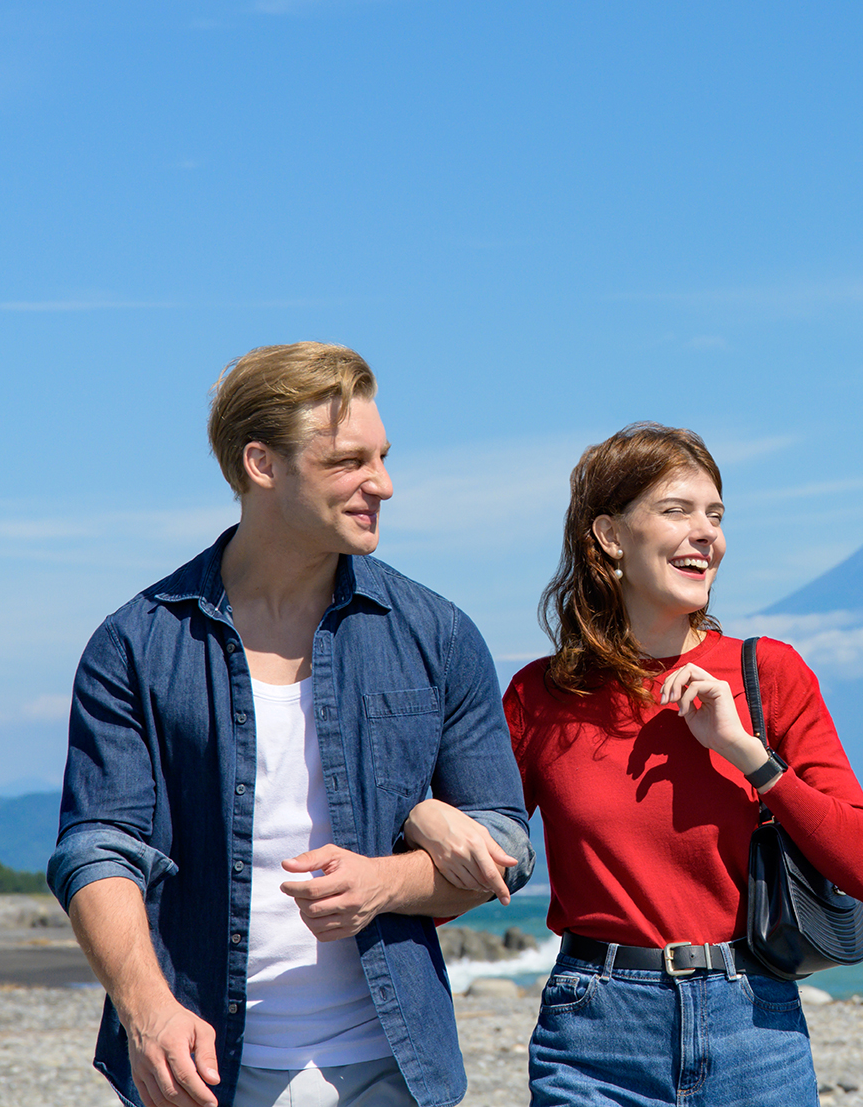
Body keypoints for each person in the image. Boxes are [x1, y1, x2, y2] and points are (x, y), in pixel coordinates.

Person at [47, 343, 533, 1107]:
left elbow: (504, 843)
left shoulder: (437, 633)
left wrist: (385, 879)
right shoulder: (135, 642)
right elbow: (97, 847)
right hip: (198, 1069)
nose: (384, 483)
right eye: (349, 460)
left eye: (383, 456)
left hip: (392, 1067)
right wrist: (146, 1013)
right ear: (262, 465)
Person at [404, 422, 863, 1106]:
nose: (706, 533)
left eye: (716, 514)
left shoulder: (769, 673)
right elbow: (478, 856)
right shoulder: (539, 696)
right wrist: (418, 815)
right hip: (593, 1032)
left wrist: (748, 754)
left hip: (756, 1026)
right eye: (677, 510)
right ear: (609, 535)